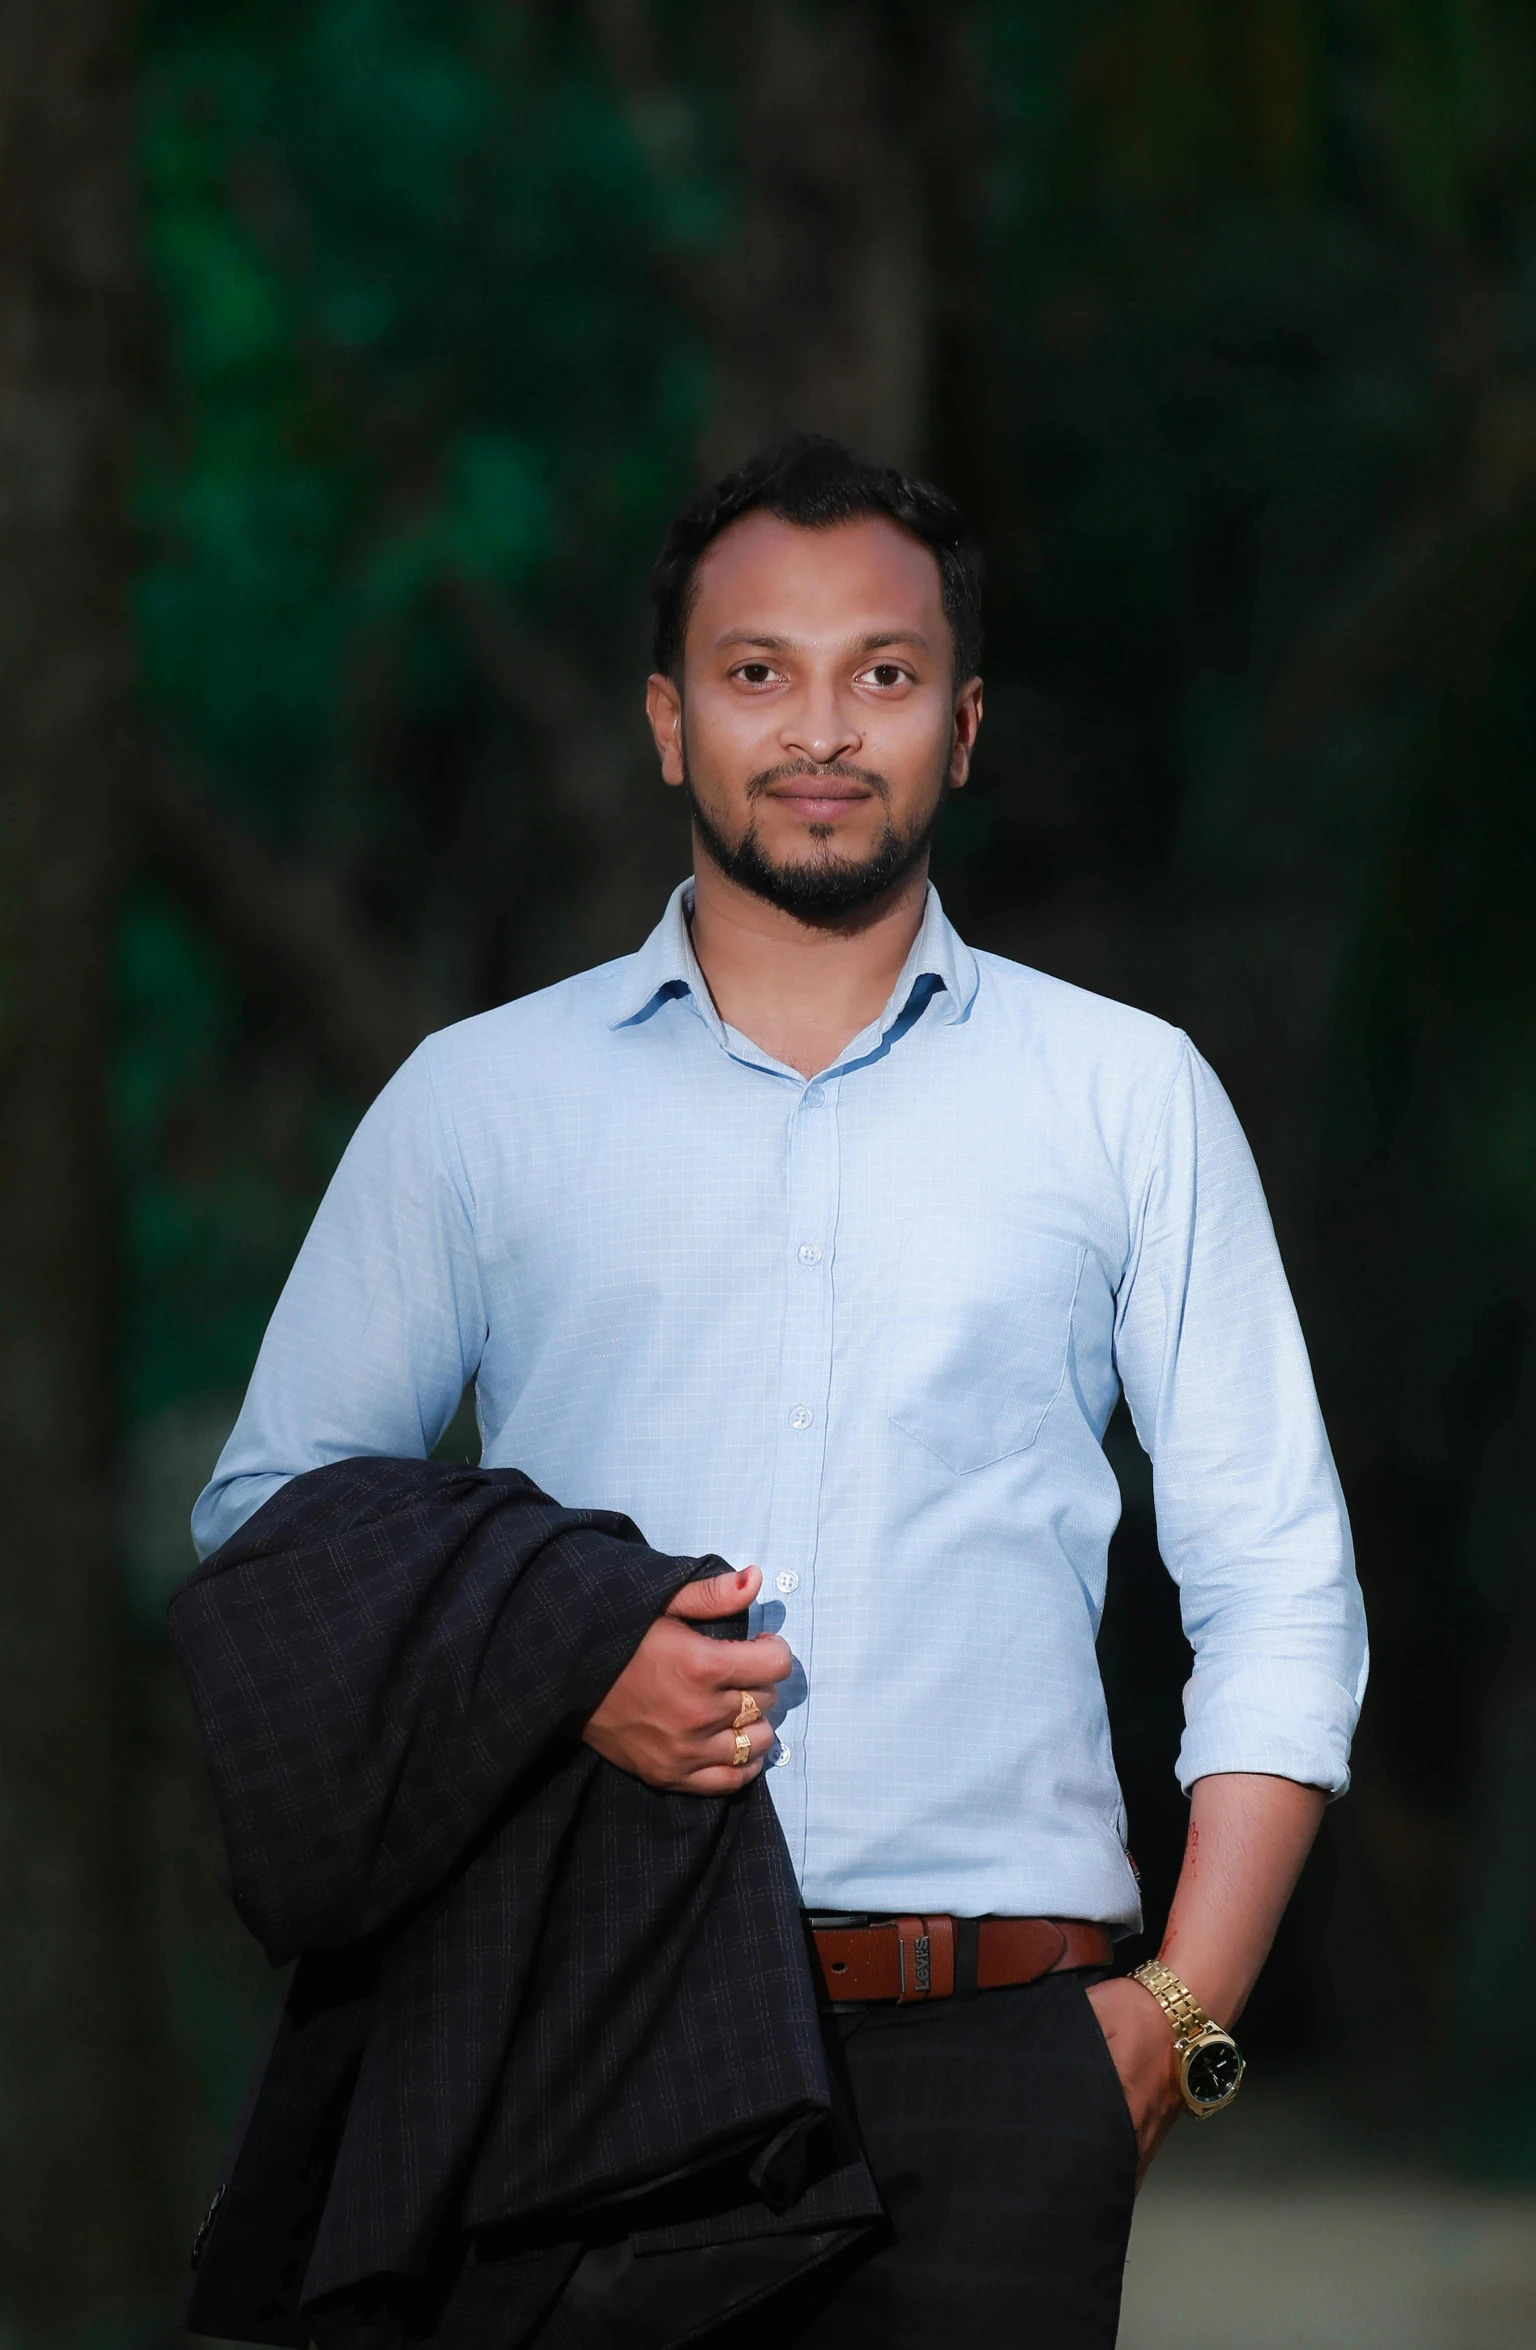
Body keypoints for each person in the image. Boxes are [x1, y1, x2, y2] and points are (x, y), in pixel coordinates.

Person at [195, 434, 1368, 2347]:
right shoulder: (478, 1104)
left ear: (961, 724)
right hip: (579, 2023)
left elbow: (1280, 1584)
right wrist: (559, 1655)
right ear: (668, 722)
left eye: (881, 675)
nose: (819, 728)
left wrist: (1175, 2020)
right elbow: (270, 1529)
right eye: (758, 672)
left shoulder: (1124, 1096)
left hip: (1008, 2067)